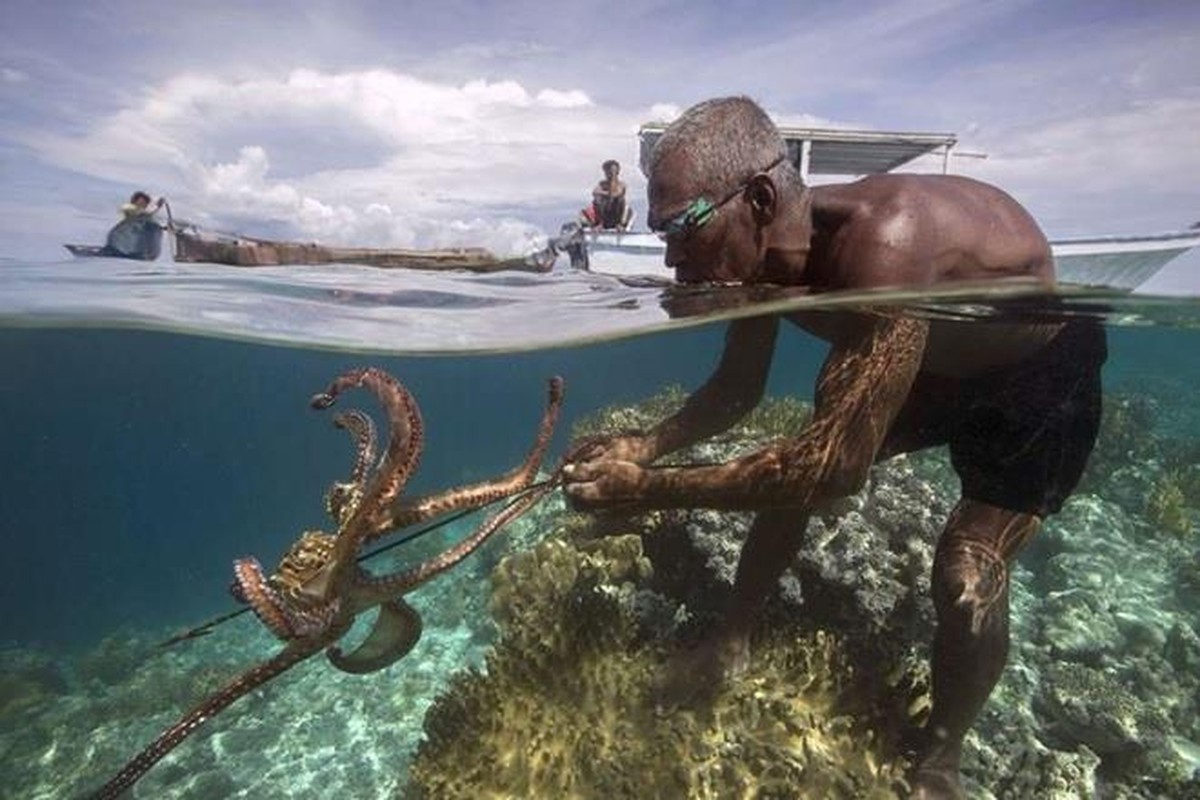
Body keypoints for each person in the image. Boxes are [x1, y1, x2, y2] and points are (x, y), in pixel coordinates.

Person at [562, 96, 1105, 799]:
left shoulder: (884, 242)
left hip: (1037, 373)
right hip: (932, 364)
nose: (670, 256)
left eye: (683, 227)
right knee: (790, 467)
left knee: (966, 573)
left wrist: (645, 489)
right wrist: (645, 444)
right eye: (662, 230)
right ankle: (732, 640)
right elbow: (735, 392)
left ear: (759, 197)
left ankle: (942, 756)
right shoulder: (760, 263)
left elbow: (834, 469)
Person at [580, 159, 633, 230]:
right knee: (597, 200)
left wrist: (606, 192)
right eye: (607, 171)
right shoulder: (602, 184)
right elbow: (595, 192)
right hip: (604, 214)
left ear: (617, 171)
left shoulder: (622, 185)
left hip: (616, 214)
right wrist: (606, 193)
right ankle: (599, 224)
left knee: (620, 200)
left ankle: (620, 225)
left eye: (612, 171)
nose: (610, 173)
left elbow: (617, 194)